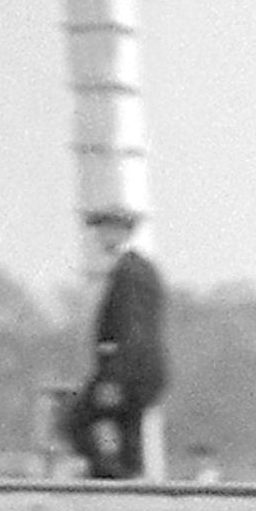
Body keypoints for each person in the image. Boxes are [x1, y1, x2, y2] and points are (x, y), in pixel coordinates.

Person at [63, 206, 169, 482]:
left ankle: (115, 482)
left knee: (77, 421)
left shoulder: (130, 274)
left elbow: (132, 333)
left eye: (105, 230)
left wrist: (113, 379)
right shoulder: (139, 269)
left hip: (128, 372)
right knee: (127, 439)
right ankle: (131, 501)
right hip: (141, 372)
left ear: (123, 232)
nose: (99, 237)